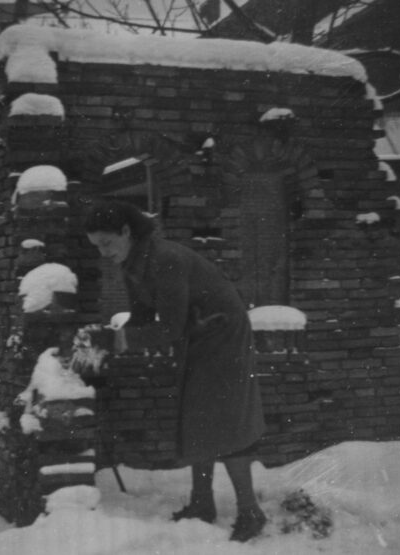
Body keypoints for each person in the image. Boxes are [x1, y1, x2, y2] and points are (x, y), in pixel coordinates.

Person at [81, 199, 267, 542]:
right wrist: (110, 339)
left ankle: (251, 512)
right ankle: (201, 503)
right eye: (97, 246)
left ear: (126, 232)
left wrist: (115, 340)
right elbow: (141, 321)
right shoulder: (132, 265)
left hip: (223, 336)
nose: (103, 252)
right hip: (197, 338)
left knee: (225, 420)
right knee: (196, 416)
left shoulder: (165, 259)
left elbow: (169, 329)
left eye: (107, 243)